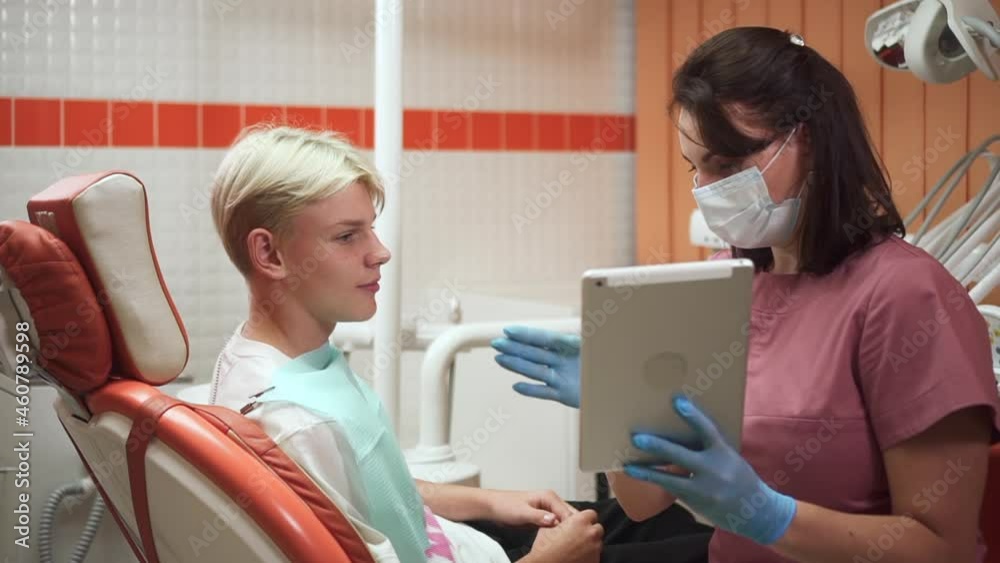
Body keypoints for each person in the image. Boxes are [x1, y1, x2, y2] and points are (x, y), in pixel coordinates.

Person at [490, 27, 1000, 563]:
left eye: (728, 165)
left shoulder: (906, 298)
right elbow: (644, 503)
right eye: (696, 166)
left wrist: (768, 515)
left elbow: (943, 547)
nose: (708, 188)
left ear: (812, 141)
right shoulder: (720, 284)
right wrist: (620, 410)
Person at [207, 125, 712, 563]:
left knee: (668, 524)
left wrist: (493, 502)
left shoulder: (290, 361)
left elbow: (386, 496)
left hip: (464, 544)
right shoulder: (295, 424)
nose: (379, 253)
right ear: (268, 253)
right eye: (347, 237)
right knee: (700, 548)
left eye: (372, 230)